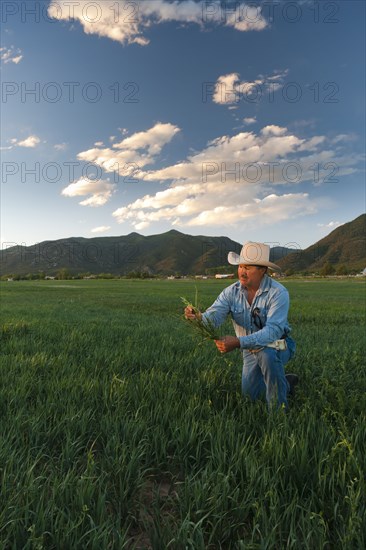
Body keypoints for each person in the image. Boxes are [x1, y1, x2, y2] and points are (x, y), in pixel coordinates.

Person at [184, 241, 298, 410]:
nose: (242, 272)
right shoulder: (231, 292)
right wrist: (198, 317)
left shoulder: (278, 293)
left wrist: (238, 342)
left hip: (278, 345)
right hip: (249, 349)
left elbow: (273, 332)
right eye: (240, 266)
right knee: (251, 396)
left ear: (263, 270)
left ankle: (279, 413)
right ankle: (286, 383)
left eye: (248, 268)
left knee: (266, 354)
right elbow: (213, 317)